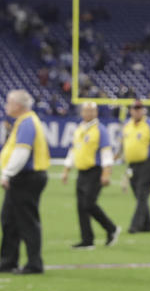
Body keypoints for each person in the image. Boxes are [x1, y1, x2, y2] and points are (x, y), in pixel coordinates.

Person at [0, 90, 50, 274]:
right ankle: (8, 260)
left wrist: (6, 173)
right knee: (9, 219)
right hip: (21, 178)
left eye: (9, 103)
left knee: (27, 221)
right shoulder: (23, 121)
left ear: (18, 106)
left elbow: (22, 152)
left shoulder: (27, 122)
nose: (6, 106)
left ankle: (34, 264)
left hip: (27, 178)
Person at [61, 102, 120, 248]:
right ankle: (87, 240)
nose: (89, 113)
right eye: (86, 111)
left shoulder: (100, 130)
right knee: (81, 207)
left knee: (89, 204)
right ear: (82, 112)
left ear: (96, 112)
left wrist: (106, 173)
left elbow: (106, 153)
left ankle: (111, 228)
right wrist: (66, 170)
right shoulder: (79, 129)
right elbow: (73, 150)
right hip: (82, 171)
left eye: (92, 111)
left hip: (95, 171)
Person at [121, 100, 150, 233]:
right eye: (135, 108)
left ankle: (135, 225)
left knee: (142, 194)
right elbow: (123, 143)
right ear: (131, 110)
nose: (137, 111)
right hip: (132, 165)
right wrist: (116, 156)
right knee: (139, 195)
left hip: (147, 163)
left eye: (139, 108)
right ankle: (148, 225)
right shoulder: (127, 125)